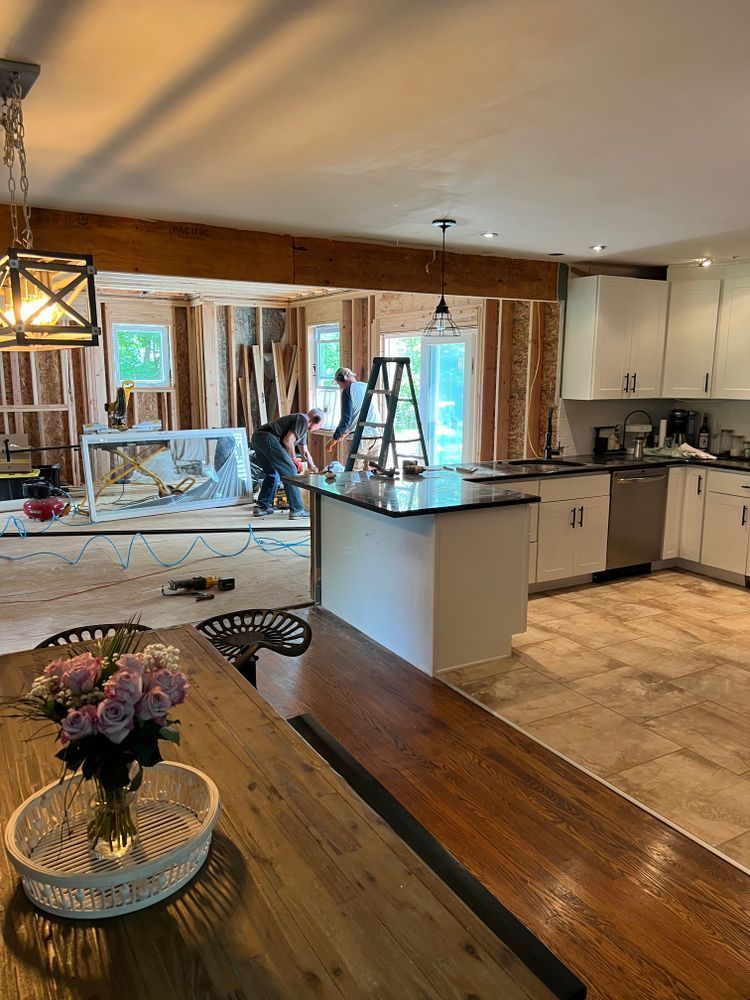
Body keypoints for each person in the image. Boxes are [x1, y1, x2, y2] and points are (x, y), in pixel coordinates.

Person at [251, 409, 323, 519]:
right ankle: (297, 510)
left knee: (272, 473)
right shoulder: (303, 420)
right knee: (290, 471)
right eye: (320, 425)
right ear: (315, 420)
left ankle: (262, 506)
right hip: (268, 437)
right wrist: (294, 460)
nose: (318, 428)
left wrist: (311, 465)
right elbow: (288, 441)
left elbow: (304, 451)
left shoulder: (302, 429)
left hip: (257, 437)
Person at [326, 367, 377, 463]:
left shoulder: (348, 391)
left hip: (361, 436)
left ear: (342, 379)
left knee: (355, 470)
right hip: (377, 434)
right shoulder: (367, 386)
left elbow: (346, 420)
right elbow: (362, 412)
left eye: (339, 384)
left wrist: (333, 440)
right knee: (376, 469)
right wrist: (348, 430)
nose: (341, 387)